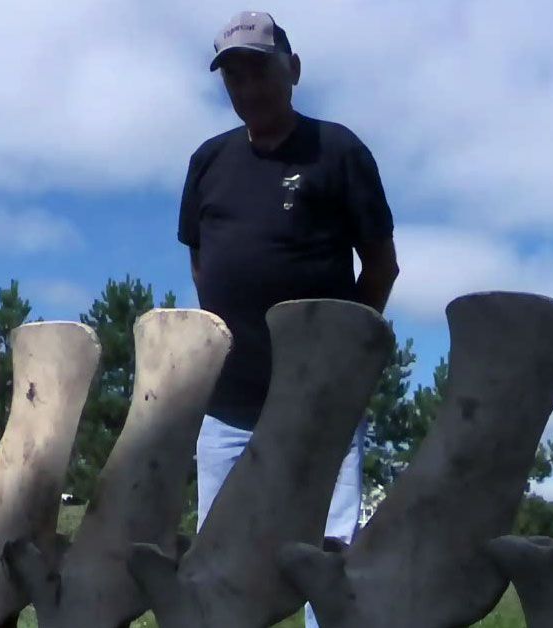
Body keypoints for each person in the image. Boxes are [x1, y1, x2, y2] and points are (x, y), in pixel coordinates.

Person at [177, 10, 399, 628]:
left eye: (260, 71)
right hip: (227, 404)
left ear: (293, 70)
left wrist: (338, 353)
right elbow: (203, 260)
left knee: (328, 556)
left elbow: (381, 263)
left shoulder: (339, 151)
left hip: (319, 401)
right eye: (234, 77)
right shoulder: (209, 161)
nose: (247, 88)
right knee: (215, 558)